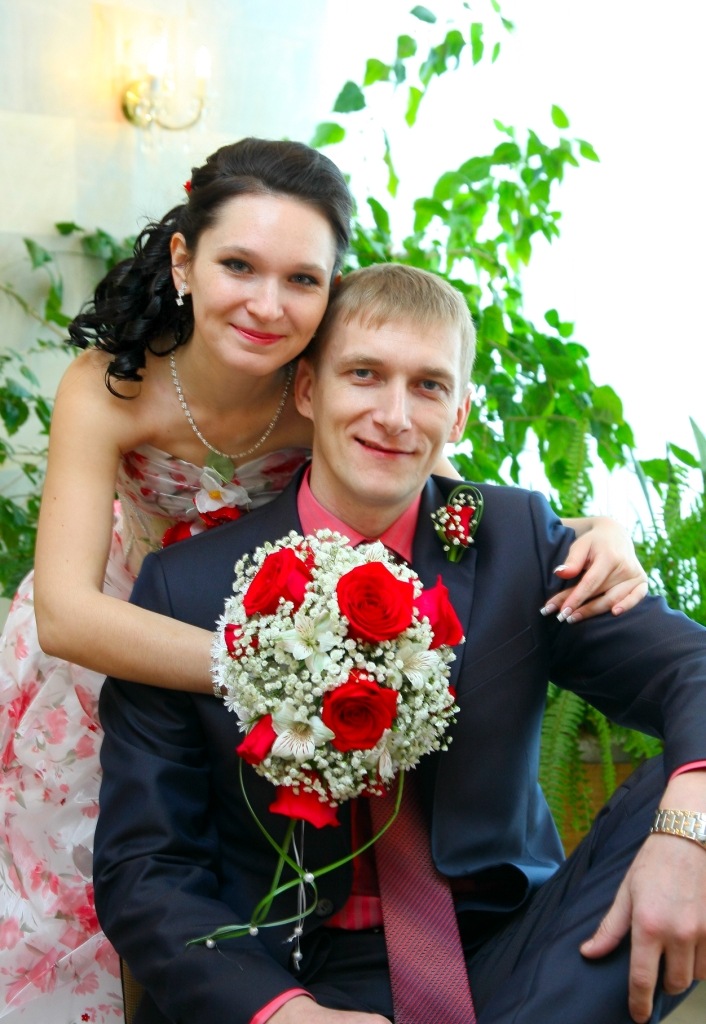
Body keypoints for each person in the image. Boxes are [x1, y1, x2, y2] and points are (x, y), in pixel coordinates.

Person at [0, 137, 645, 1021]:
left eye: (302, 279)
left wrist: (595, 530)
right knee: (92, 905)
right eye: (238, 265)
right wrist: (274, 673)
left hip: (303, 634)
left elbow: (447, 501)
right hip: (135, 635)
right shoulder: (111, 386)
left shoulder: (330, 392)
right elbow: (68, 616)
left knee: (245, 867)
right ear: (184, 261)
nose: (268, 305)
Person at [93, 262, 706, 1024]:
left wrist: (691, 830)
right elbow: (145, 869)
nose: (394, 416)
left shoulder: (516, 540)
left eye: (428, 386)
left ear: (460, 415)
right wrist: (284, 1014)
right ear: (309, 390)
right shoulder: (186, 589)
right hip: (286, 973)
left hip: (515, 957)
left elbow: (690, 668)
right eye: (364, 375)